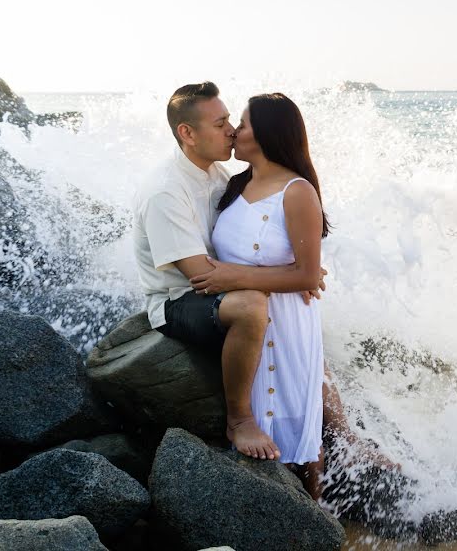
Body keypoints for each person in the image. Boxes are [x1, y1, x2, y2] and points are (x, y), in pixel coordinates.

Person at [133, 82, 392, 486]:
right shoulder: (167, 190)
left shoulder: (220, 175)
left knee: (291, 330)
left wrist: (300, 274)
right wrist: (285, 279)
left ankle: (335, 449)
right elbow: (203, 275)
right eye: (222, 124)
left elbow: (261, 240)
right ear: (187, 133)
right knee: (255, 305)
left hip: (235, 294)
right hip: (179, 300)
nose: (232, 131)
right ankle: (241, 420)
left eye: (235, 122)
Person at [198, 92, 329, 496]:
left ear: (269, 134)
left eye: (245, 123)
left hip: (286, 321)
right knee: (256, 425)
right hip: (245, 320)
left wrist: (232, 277)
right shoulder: (235, 184)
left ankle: (315, 514)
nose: (235, 131)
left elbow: (306, 274)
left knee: (298, 436)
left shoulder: (296, 191)